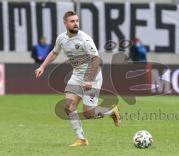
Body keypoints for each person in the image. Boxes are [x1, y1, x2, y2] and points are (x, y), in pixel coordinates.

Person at [35, 11, 120, 147]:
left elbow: (96, 59)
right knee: (68, 106)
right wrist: (42, 67)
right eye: (72, 21)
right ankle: (81, 139)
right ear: (65, 23)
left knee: (88, 113)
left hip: (92, 76)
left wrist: (90, 80)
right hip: (77, 76)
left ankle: (111, 111)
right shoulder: (61, 38)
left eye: (77, 21)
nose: (75, 23)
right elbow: (54, 52)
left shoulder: (85, 39)